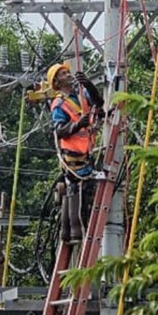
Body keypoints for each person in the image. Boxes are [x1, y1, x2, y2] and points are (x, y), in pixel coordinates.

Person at [47, 63, 104, 243]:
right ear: (57, 81)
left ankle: (71, 233)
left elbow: (98, 101)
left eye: (67, 72)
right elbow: (59, 131)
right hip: (71, 154)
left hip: (85, 151)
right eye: (63, 74)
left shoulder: (80, 95)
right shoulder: (59, 103)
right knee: (76, 188)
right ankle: (76, 232)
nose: (68, 75)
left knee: (78, 188)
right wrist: (78, 124)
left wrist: (87, 84)